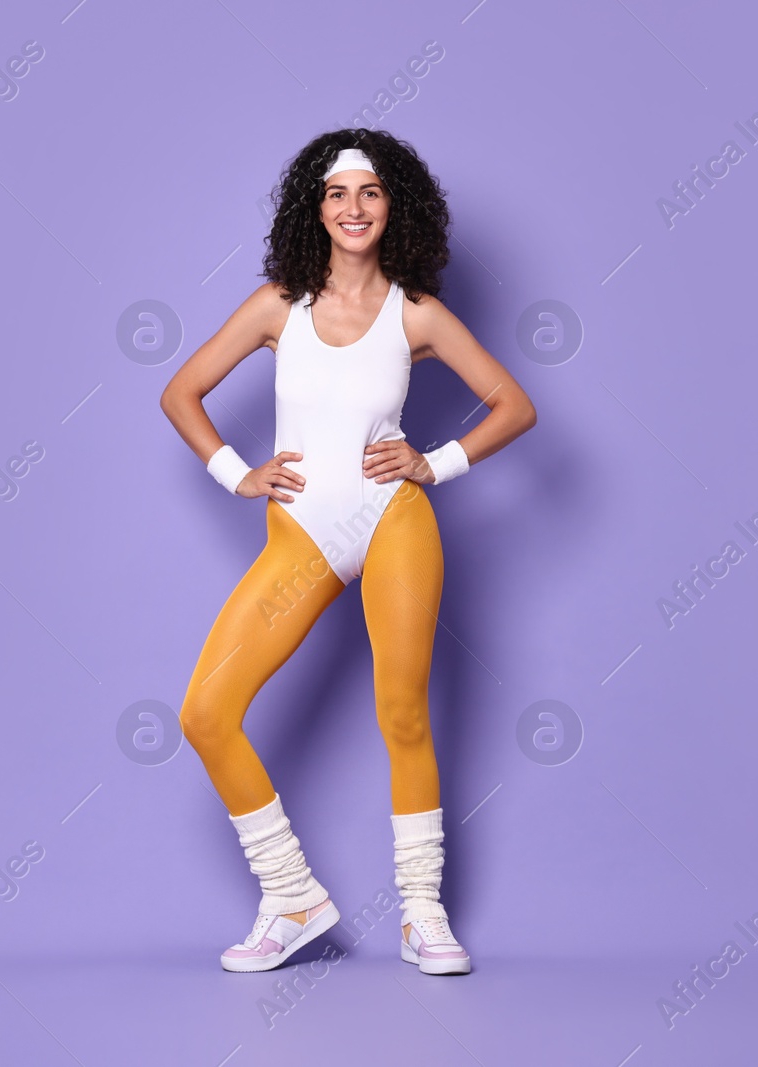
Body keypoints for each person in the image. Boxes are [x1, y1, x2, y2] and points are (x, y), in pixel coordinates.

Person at [159, 129, 536, 975]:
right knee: (206, 712)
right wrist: (234, 471)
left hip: (395, 521)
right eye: (337, 194)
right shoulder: (275, 309)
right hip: (302, 535)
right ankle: (291, 894)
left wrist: (435, 462)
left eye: (370, 192)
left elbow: (514, 405)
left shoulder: (417, 314)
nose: (353, 207)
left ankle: (422, 914)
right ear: (315, 209)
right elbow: (179, 391)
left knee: (402, 712)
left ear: (393, 205)